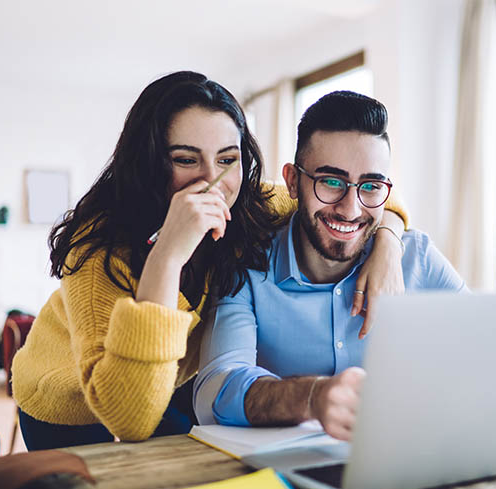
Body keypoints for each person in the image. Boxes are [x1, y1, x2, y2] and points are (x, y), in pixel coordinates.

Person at [11, 73, 409, 450]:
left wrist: (388, 245)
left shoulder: (253, 204)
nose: (211, 182)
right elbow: (128, 417)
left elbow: (355, 197)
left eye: (226, 159)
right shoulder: (97, 249)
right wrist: (168, 253)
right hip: (70, 397)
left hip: (170, 380)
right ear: (149, 161)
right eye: (186, 159)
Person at [195, 91, 466, 441]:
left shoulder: (417, 259)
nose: (350, 209)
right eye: (331, 182)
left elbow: (489, 351)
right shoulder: (248, 266)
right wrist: (311, 397)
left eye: (370, 186)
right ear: (292, 181)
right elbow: (214, 389)